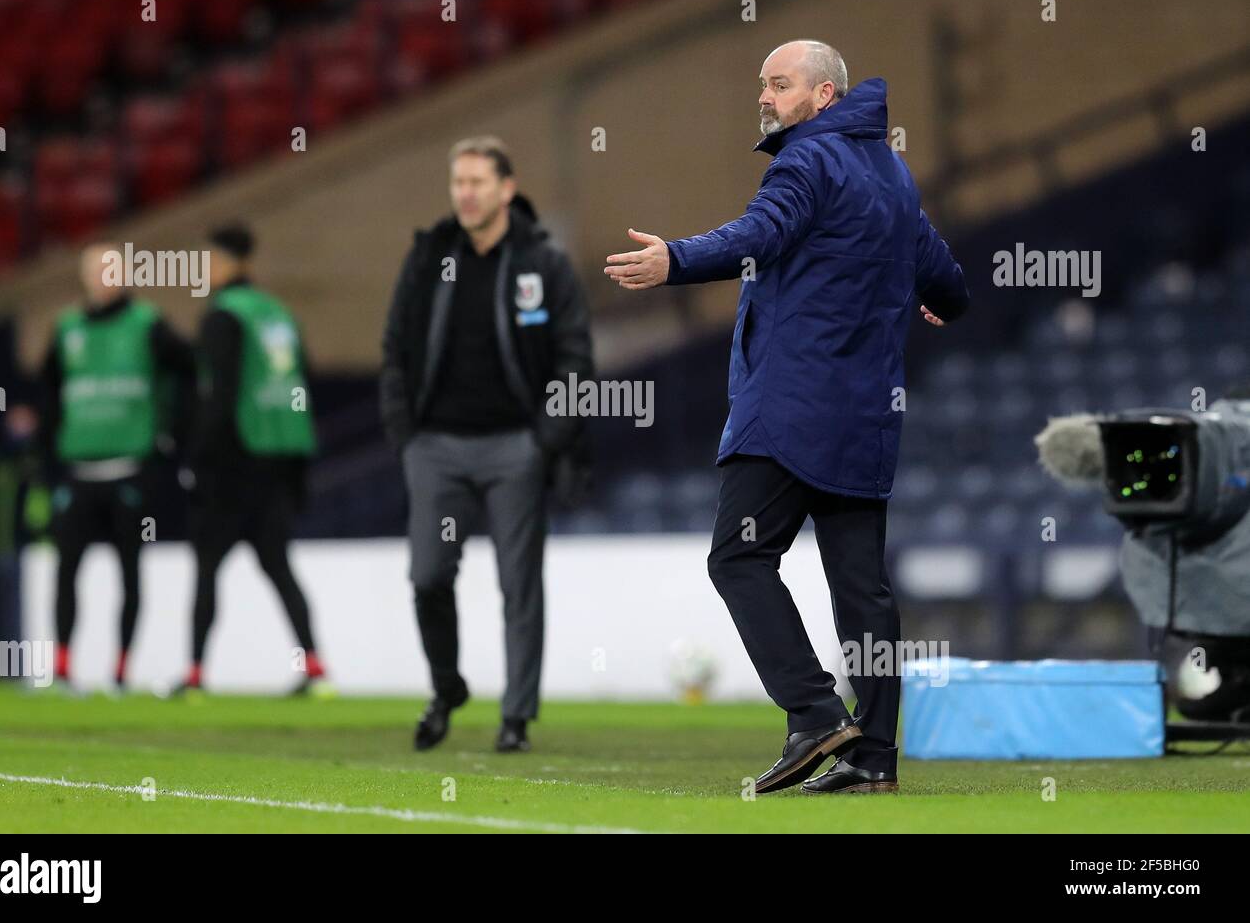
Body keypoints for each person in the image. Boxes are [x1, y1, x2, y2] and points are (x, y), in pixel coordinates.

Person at [604, 41, 969, 793]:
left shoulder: (808, 162)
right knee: (862, 587)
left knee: (737, 557)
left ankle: (810, 711)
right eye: (762, 84)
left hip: (792, 408)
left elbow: (757, 235)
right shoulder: (893, 175)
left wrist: (676, 258)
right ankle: (873, 757)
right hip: (867, 415)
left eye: (780, 84)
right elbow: (947, 277)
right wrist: (942, 300)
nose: (765, 96)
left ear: (824, 96)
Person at [381, 136, 593, 752]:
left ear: (506, 188)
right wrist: (405, 435)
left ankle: (516, 716)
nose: (465, 194)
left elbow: (574, 357)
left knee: (518, 584)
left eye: (477, 182)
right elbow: (394, 350)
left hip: (514, 449)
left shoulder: (542, 263)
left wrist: (545, 439)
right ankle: (447, 687)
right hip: (436, 447)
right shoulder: (428, 258)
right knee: (427, 576)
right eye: (458, 184)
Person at [180, 224, 328, 696]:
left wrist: (197, 459)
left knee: (206, 568)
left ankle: (196, 673)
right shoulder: (278, 314)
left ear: (226, 262)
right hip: (280, 461)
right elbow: (303, 385)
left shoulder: (224, 316)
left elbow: (218, 396)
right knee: (280, 568)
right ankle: (315, 666)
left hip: (233, 464)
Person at [40, 241, 193, 689]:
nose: (106, 278)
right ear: (85, 276)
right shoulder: (67, 329)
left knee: (130, 572)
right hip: (80, 473)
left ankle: (122, 667)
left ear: (126, 275)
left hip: (131, 471)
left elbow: (189, 369)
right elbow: (49, 393)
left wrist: (170, 437)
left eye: (113, 270)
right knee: (66, 572)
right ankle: (64, 665)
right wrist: (45, 451)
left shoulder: (148, 324)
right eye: (98, 270)